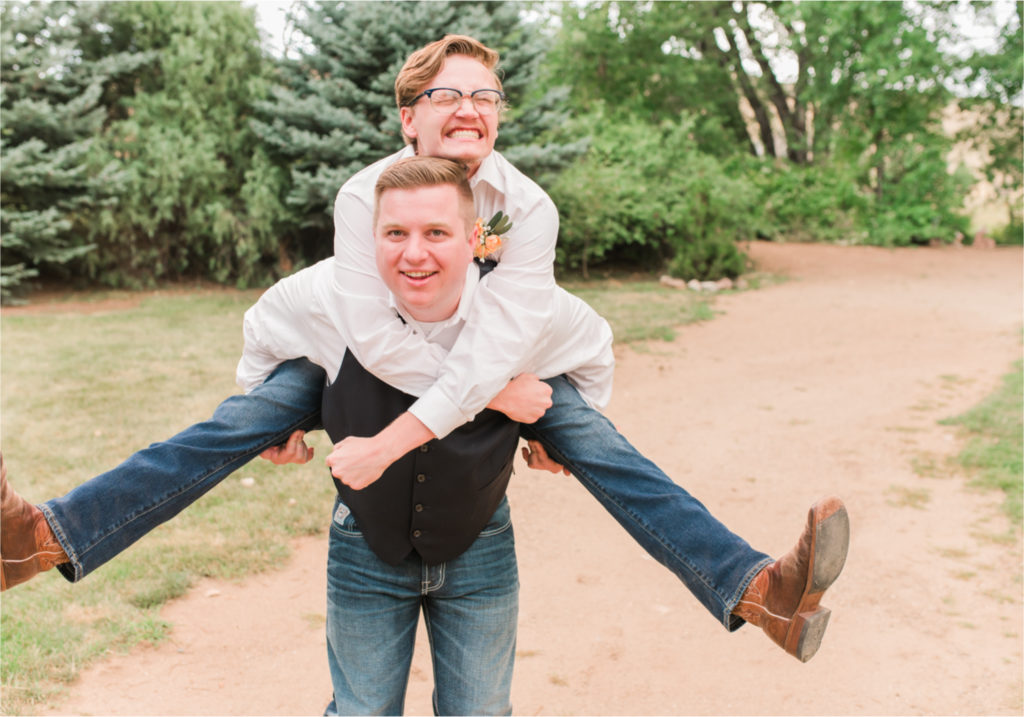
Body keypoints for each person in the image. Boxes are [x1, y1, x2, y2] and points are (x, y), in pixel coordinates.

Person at [0, 34, 848, 663]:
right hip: (348, 361)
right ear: (410, 117)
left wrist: (518, 398)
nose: (471, 108)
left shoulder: (528, 209)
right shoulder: (362, 195)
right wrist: (493, 394)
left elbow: (511, 336)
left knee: (593, 437)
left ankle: (758, 591)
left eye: (485, 95)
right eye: (448, 96)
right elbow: (370, 340)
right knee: (236, 422)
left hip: (490, 363)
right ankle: (42, 538)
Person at [247, 154, 614, 714]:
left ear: (473, 240)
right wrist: (267, 419)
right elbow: (265, 327)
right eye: (395, 232)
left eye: (436, 233)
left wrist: (561, 434)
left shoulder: (516, 310)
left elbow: (591, 344)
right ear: (369, 240)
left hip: (481, 548)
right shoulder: (337, 303)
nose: (414, 253)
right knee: (359, 711)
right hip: (364, 547)